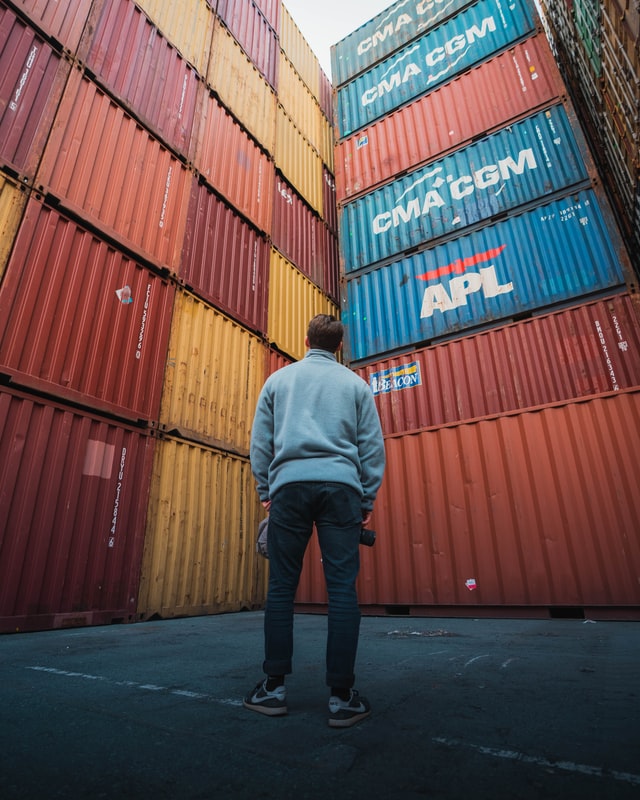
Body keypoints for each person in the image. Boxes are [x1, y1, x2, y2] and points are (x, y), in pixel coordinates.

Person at [244, 314, 386, 728]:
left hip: (289, 487)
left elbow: (260, 443)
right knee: (342, 589)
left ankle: (273, 690)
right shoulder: (355, 385)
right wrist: (366, 496)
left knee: (282, 588)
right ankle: (342, 698)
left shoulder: (278, 381)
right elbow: (371, 446)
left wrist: (265, 491)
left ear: (305, 340)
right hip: (342, 489)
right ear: (339, 347)